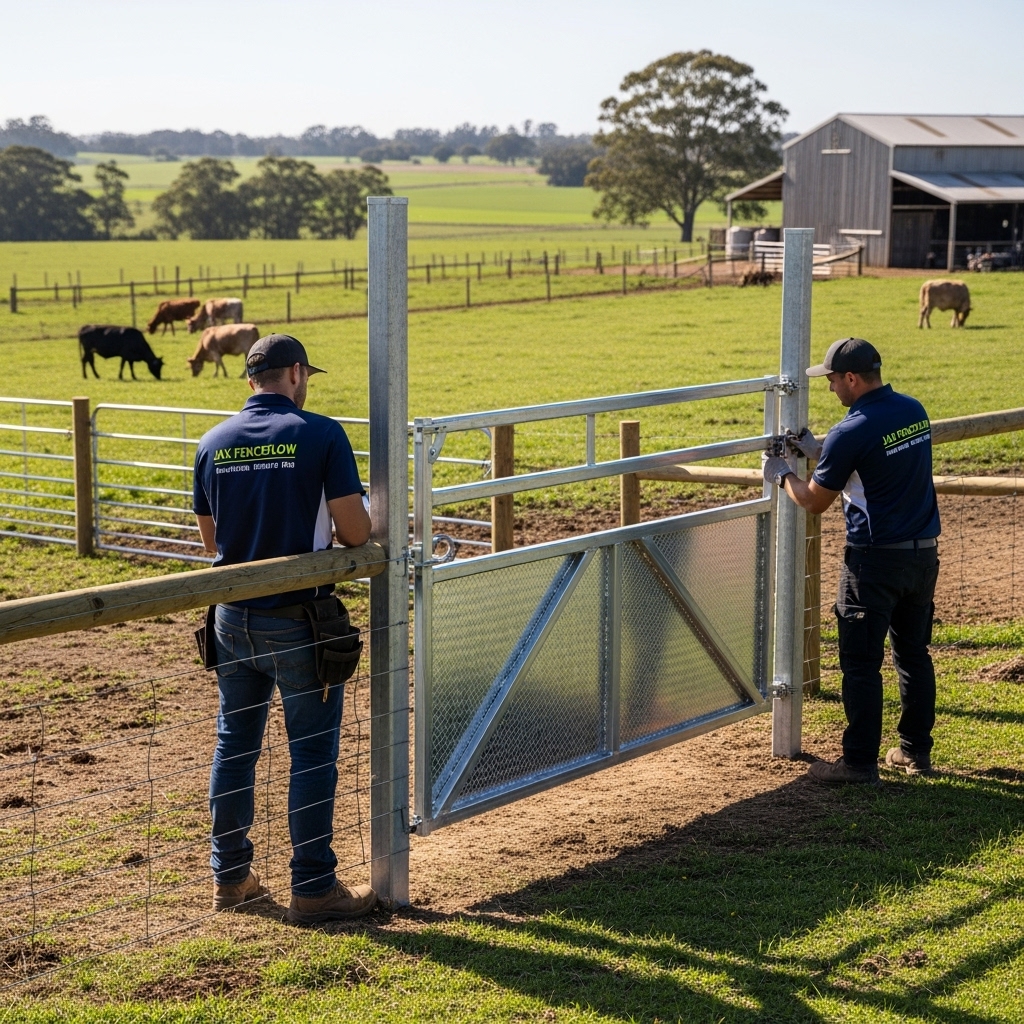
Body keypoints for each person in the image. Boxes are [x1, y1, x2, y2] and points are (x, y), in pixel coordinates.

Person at [192, 333, 377, 922]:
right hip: (300, 619)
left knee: (235, 745)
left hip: (231, 618)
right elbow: (354, 533)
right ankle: (314, 887)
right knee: (314, 754)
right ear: (296, 374)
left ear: (251, 380)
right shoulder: (321, 434)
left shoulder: (212, 442)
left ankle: (230, 878)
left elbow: (212, 541)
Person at [763, 337, 940, 785]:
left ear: (852, 379)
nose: (830, 390)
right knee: (913, 655)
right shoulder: (912, 411)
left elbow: (813, 501)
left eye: (832, 381)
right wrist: (818, 451)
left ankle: (858, 763)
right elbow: (875, 467)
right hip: (922, 555)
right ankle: (915, 753)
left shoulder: (851, 429)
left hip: (873, 562)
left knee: (861, 665)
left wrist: (782, 473)